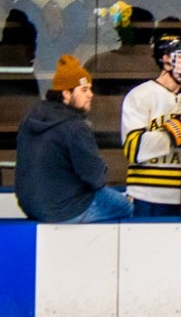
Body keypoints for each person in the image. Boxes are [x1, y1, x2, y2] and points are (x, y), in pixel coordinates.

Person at [15, 55, 132, 223]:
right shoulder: (75, 127)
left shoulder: (30, 119)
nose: (90, 95)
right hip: (64, 210)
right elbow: (95, 178)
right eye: (84, 90)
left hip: (31, 206)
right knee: (125, 206)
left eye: (90, 89)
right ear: (66, 94)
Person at [121, 32, 181, 216]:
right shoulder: (140, 96)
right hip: (149, 196)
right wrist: (178, 131)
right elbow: (133, 149)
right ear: (166, 59)